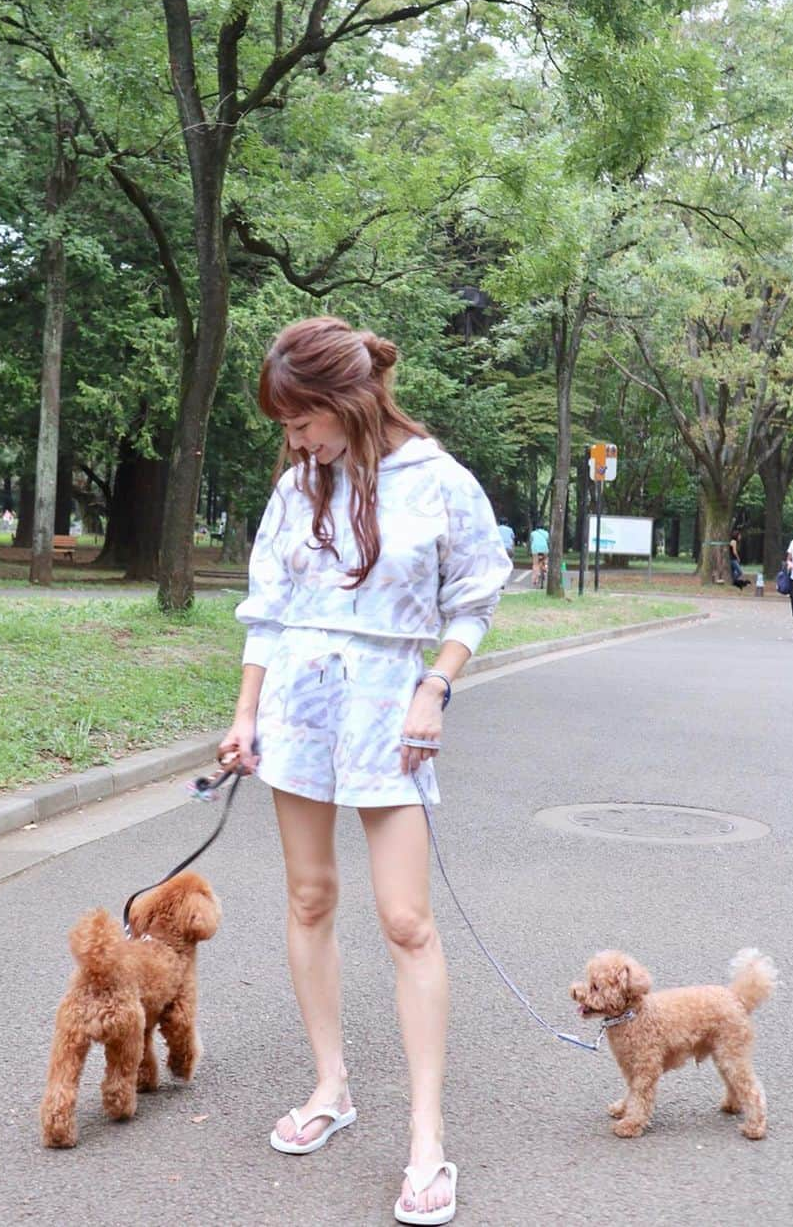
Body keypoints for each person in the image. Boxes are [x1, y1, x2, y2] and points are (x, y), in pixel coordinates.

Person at [219, 316, 512, 1226]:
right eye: (287, 426)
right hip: (298, 707)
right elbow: (268, 610)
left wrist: (435, 688)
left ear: (347, 400)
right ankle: (332, 1088)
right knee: (309, 898)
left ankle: (428, 1138)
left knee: (406, 920)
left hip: (391, 701)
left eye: (302, 420)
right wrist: (243, 714)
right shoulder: (297, 485)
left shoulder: (439, 481)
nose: (294, 440)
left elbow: (476, 597)